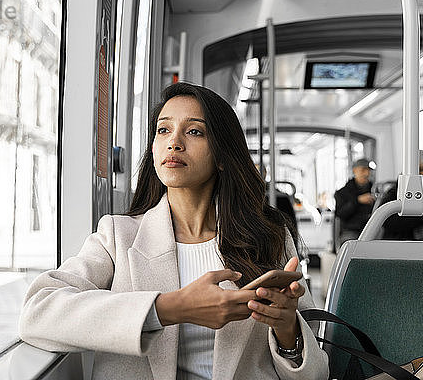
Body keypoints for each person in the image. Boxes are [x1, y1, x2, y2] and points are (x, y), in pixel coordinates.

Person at [18, 83, 329, 380]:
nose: (174, 142)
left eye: (194, 131)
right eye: (163, 129)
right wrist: (171, 308)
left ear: (222, 155)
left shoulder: (268, 237)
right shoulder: (118, 236)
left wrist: (287, 329)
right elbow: (37, 312)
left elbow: (316, 373)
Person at [381, 150, 423, 241]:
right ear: (408, 170)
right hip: (404, 242)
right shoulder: (395, 193)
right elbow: (388, 222)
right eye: (419, 170)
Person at [334, 158, 375, 248]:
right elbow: (340, 214)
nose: (366, 174)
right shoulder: (342, 193)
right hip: (351, 231)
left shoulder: (375, 190)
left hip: (373, 230)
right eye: (363, 170)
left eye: (368, 170)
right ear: (354, 171)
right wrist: (358, 201)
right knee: (352, 246)